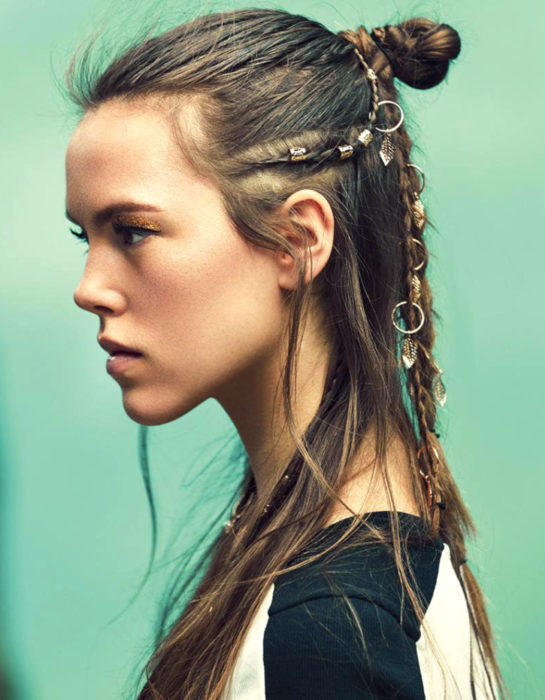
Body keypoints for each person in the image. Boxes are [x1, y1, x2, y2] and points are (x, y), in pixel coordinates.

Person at [63, 8, 506, 699]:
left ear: (299, 241)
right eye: (82, 237)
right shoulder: (363, 588)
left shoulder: (326, 638)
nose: (89, 289)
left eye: (133, 232)